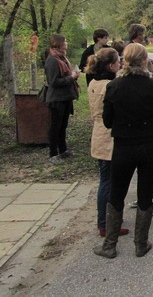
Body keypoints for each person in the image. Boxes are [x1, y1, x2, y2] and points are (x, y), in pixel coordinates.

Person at [94, 43, 153, 259]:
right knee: (145, 192)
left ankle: (110, 245)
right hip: (150, 145)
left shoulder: (114, 86)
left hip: (124, 146)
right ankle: (140, 244)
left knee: (117, 192)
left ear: (124, 60)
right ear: (145, 61)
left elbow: (107, 121)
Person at [85, 48, 129, 238]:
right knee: (110, 182)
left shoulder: (93, 83)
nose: (120, 65)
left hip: (98, 134)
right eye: (118, 63)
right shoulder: (110, 86)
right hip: (109, 136)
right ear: (111, 65)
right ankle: (106, 224)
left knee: (106, 179)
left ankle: (105, 220)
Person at [127, 23, 153, 215]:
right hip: (144, 135)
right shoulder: (121, 86)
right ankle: (146, 198)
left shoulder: (118, 86)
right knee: (145, 168)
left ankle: (152, 198)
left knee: (146, 169)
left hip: (138, 134)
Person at [44, 34, 80, 164]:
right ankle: (53, 154)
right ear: (58, 44)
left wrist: (72, 75)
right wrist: (72, 78)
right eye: (65, 41)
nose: (67, 43)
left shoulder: (62, 57)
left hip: (66, 97)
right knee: (55, 126)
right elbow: (54, 82)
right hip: (57, 99)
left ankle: (63, 150)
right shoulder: (52, 60)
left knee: (63, 125)